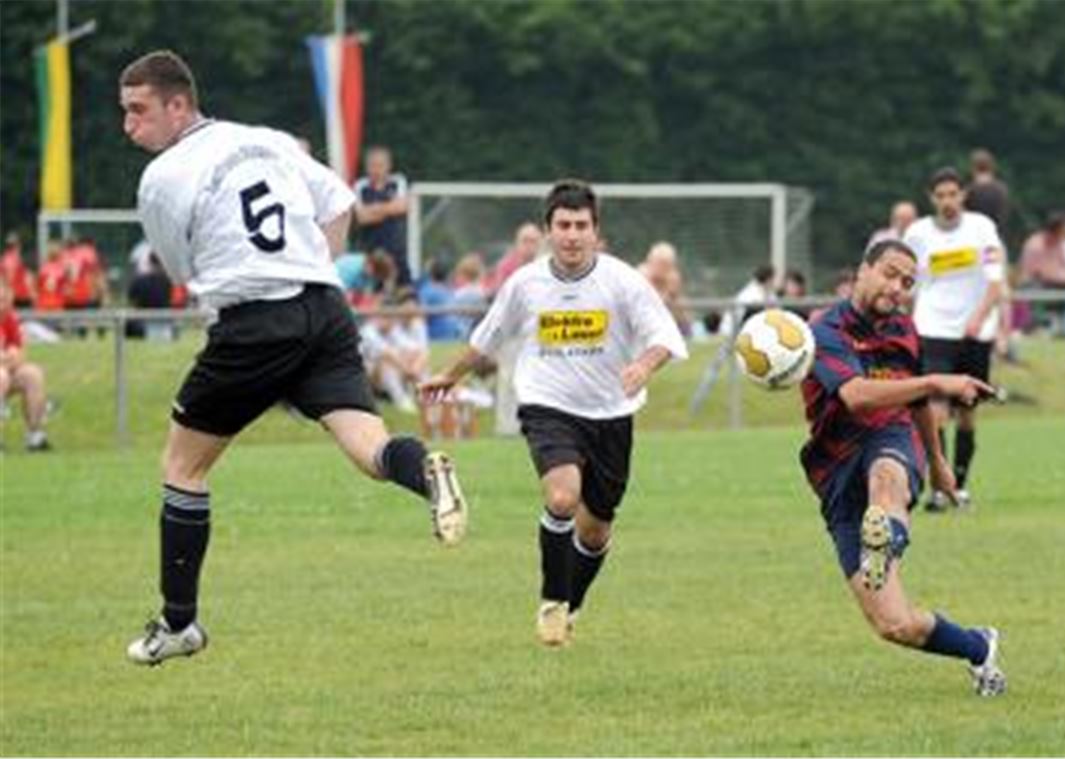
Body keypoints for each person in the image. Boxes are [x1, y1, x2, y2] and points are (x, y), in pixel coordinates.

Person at [117, 49, 468, 666]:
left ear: (179, 104)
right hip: (324, 308)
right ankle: (428, 473)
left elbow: (183, 272)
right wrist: (314, 270)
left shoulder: (163, 177)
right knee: (369, 447)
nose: (130, 126)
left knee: (183, 467)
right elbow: (339, 204)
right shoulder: (268, 139)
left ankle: (180, 625)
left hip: (254, 320)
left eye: (139, 111)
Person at [420, 179, 688, 647]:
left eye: (581, 226)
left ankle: (572, 605)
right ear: (548, 230)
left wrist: (643, 366)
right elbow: (488, 337)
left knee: (597, 529)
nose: (571, 235)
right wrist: (451, 375)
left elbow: (664, 336)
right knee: (563, 497)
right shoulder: (525, 284)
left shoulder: (622, 281)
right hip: (547, 406)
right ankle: (551, 600)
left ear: (595, 231)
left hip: (611, 413)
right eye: (563, 225)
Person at [801, 239, 1006, 697]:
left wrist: (936, 463)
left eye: (908, 283)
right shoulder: (824, 329)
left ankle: (887, 534)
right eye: (890, 274)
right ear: (863, 270)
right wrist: (937, 381)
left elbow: (915, 402)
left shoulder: (904, 330)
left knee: (886, 477)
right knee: (894, 624)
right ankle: (979, 645)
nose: (898, 288)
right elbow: (854, 395)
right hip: (835, 465)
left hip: (889, 439)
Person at [903, 167, 1006, 510]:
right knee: (935, 412)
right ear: (931, 198)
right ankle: (938, 489)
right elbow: (907, 282)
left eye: (953, 194)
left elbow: (995, 281)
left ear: (963, 195)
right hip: (933, 328)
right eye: (940, 195)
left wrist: (978, 318)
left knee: (967, 413)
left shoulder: (982, 228)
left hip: (974, 332)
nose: (947, 201)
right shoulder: (917, 233)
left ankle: (959, 487)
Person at [0, 277, 52, 451]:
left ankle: (34, 435)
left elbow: (20, 354)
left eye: (5, 299)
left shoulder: (9, 319)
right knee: (1, 377)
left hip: (6, 369)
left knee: (32, 374)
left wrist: (8, 360)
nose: (4, 304)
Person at [353, 146, 411, 286]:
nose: (376, 170)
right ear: (367, 167)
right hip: (370, 255)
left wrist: (373, 210)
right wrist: (389, 208)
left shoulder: (398, 182)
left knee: (405, 296)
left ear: (389, 166)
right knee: (373, 299)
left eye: (380, 165)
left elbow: (403, 207)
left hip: (396, 253)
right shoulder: (361, 186)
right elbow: (361, 218)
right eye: (373, 165)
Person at [965, 149, 1012, 240]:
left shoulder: (969, 190)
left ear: (973, 167)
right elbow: (1004, 216)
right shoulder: (1001, 189)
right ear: (992, 166)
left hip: (973, 238)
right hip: (995, 237)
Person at [485, 222, 543, 295]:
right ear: (517, 242)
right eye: (525, 241)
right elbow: (501, 294)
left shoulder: (545, 267)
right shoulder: (506, 267)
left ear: (540, 244)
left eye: (532, 241)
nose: (528, 245)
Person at [1, 233, 36, 308]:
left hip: (15, 296)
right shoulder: (12, 259)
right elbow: (9, 278)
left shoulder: (6, 259)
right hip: (18, 297)